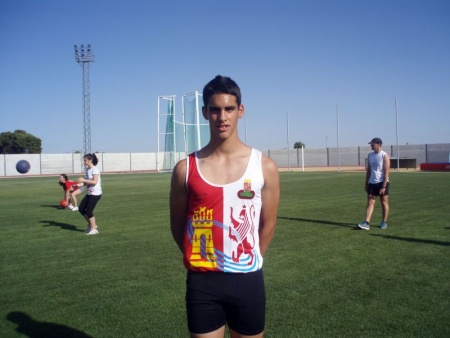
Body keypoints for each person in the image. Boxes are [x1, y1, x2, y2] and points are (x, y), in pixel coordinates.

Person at [170, 75, 280, 338]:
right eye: (215, 109)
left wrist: (250, 259)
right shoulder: (185, 169)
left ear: (240, 111)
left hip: (248, 279)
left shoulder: (264, 166)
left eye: (229, 109)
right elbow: (177, 224)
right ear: (205, 112)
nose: (222, 117)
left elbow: (269, 223)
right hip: (202, 282)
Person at [358, 137, 390, 230]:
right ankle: (366, 222)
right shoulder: (370, 155)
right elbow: (369, 170)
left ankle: (384, 221)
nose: (371, 145)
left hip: (382, 182)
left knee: (384, 202)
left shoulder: (385, 156)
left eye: (372, 144)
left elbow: (387, 171)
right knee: (370, 202)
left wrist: (384, 186)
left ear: (379, 144)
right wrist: (366, 183)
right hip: (372, 182)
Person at [75, 153, 102, 235]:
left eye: (85, 160)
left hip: (96, 193)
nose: (84, 162)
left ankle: (94, 229)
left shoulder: (95, 169)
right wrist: (77, 185)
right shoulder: (87, 170)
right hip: (90, 193)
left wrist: (84, 180)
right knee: (81, 209)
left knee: (89, 210)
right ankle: (91, 225)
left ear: (90, 160)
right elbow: (86, 182)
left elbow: (94, 181)